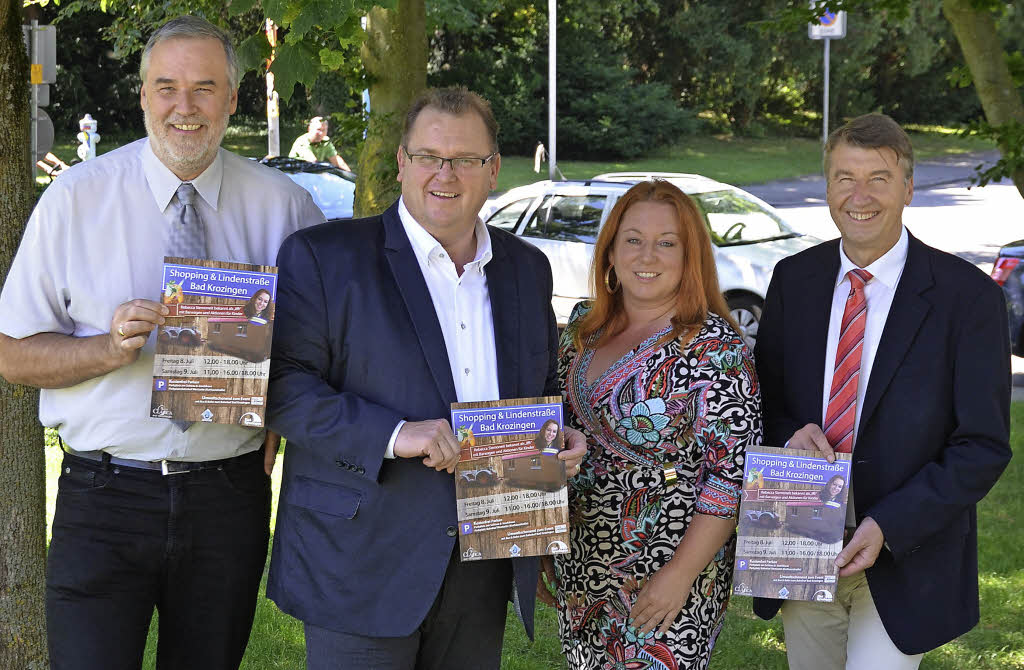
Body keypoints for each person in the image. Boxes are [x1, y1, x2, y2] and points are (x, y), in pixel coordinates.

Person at [0, 16, 324, 670]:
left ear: (233, 98)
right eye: (167, 87)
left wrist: (278, 412)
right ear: (143, 95)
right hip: (104, 498)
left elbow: (316, 348)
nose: (186, 106)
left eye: (205, 88)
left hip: (227, 498)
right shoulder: (75, 200)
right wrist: (107, 350)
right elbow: (10, 353)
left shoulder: (286, 209)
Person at [265, 86, 587, 670]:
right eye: (429, 156)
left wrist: (560, 437)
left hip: (483, 558)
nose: (446, 173)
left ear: (492, 171)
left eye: (465, 159)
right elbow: (283, 387)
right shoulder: (325, 257)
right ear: (402, 163)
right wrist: (394, 433)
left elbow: (541, 388)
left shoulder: (526, 269)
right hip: (359, 561)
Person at [753, 113, 1011, 669]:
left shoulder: (967, 299)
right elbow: (765, 403)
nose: (860, 195)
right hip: (800, 538)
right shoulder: (793, 280)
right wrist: (788, 434)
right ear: (827, 187)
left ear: (909, 188)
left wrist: (888, 525)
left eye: (879, 177)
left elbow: (982, 445)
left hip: (903, 551)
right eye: (845, 177)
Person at [542, 180, 762, 670]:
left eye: (667, 242)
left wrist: (680, 576)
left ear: (690, 257)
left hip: (666, 570)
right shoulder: (581, 328)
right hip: (580, 564)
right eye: (633, 239)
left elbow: (729, 481)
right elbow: (547, 435)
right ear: (611, 253)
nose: (649, 254)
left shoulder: (714, 348)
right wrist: (536, 540)